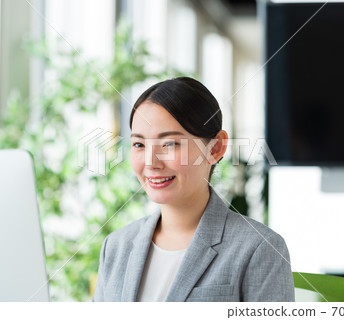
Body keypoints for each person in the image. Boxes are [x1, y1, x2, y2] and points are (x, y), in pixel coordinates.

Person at [93, 77, 294, 302]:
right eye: (139, 144)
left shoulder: (259, 249)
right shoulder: (115, 247)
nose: (151, 162)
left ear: (216, 148)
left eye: (169, 144)